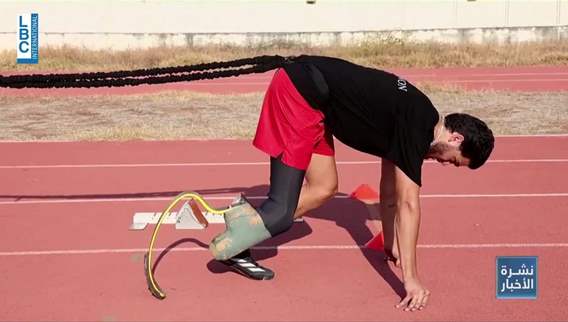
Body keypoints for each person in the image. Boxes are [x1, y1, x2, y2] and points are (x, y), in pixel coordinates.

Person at [209, 55, 494, 312]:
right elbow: (408, 203)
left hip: (316, 103)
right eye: (454, 161)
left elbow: (390, 192)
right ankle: (230, 245)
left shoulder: (418, 119)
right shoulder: (417, 128)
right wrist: (412, 279)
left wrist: (391, 246)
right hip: (300, 93)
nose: (445, 164)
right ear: (455, 139)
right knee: (282, 213)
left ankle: (246, 222)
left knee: (324, 187)